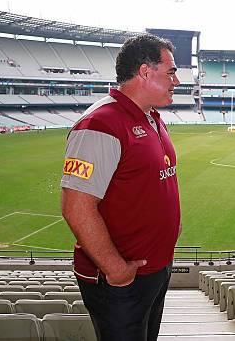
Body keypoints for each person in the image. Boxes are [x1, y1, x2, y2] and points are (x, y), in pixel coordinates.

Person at [61, 34, 182, 341]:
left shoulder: (152, 118)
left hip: (155, 268)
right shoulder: (100, 125)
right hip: (121, 281)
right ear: (145, 71)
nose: (176, 80)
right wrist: (115, 269)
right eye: (170, 71)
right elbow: (76, 207)